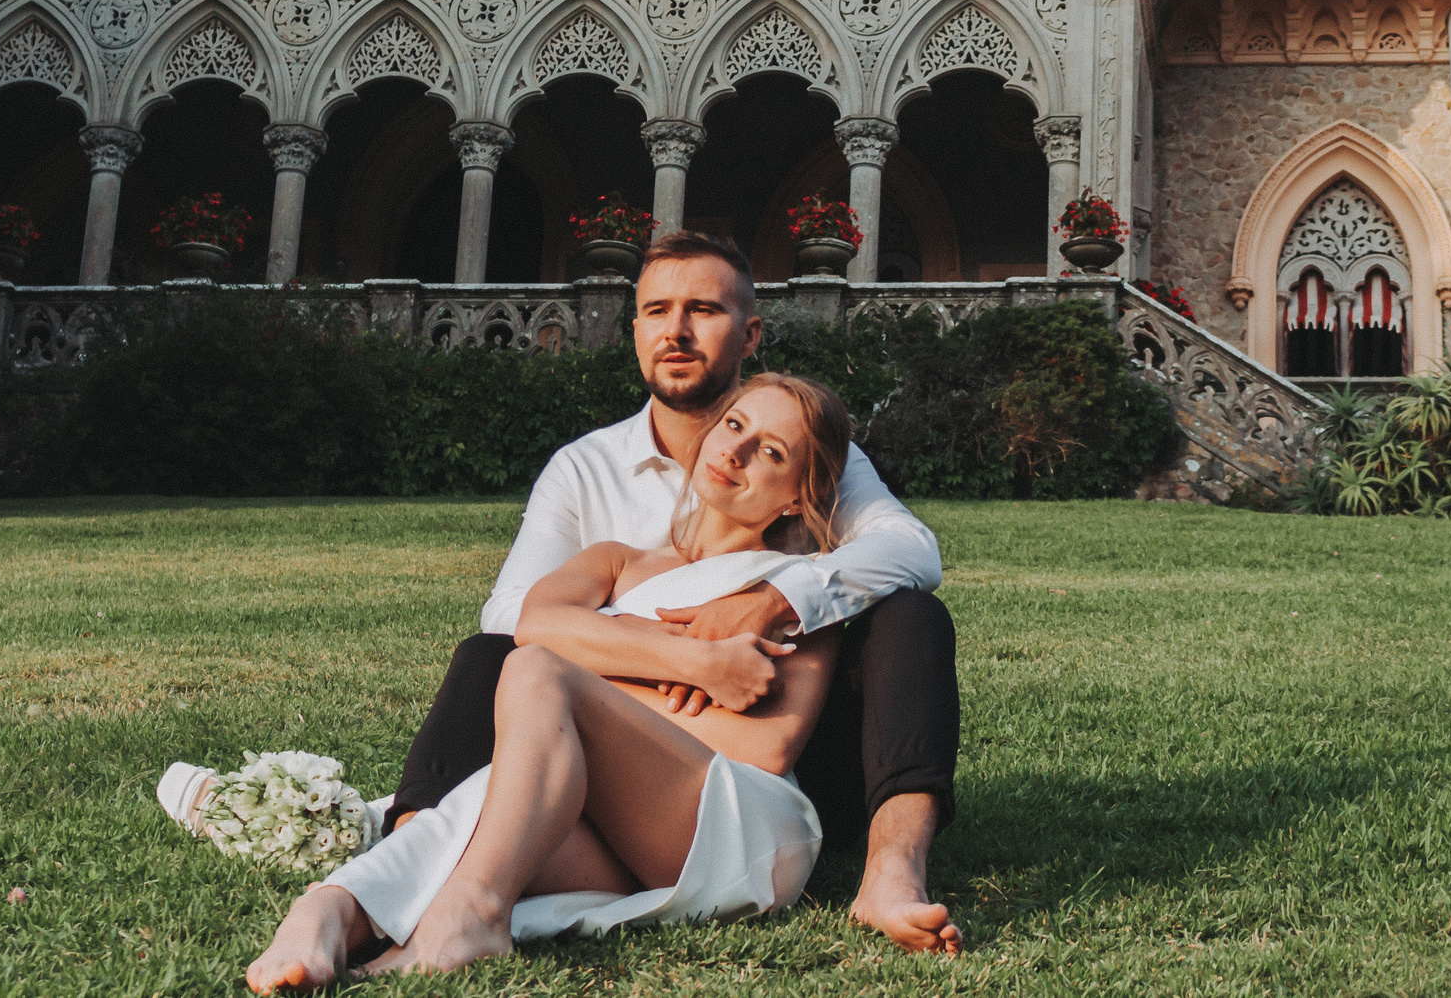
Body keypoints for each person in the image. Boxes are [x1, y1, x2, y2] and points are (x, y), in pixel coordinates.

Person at [385, 231, 961, 955]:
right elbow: (512, 616)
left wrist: (775, 601)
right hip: (609, 744)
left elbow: (912, 549)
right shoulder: (586, 468)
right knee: (487, 653)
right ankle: (417, 844)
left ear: (749, 332)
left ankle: (892, 871)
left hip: (780, 750)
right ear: (635, 329)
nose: (677, 331)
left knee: (910, 615)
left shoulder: (808, 445)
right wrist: (679, 654)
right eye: (657, 310)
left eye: (703, 310)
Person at [242, 373, 851, 988]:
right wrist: (695, 666)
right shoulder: (617, 561)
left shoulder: (790, 587)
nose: (735, 452)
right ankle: (331, 911)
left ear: (798, 497)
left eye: (771, 452)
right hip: (615, 830)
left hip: (735, 826)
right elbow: (536, 624)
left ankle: (472, 915)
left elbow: (764, 747)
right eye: (734, 426)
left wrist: (590, 694)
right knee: (482, 818)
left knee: (536, 681)